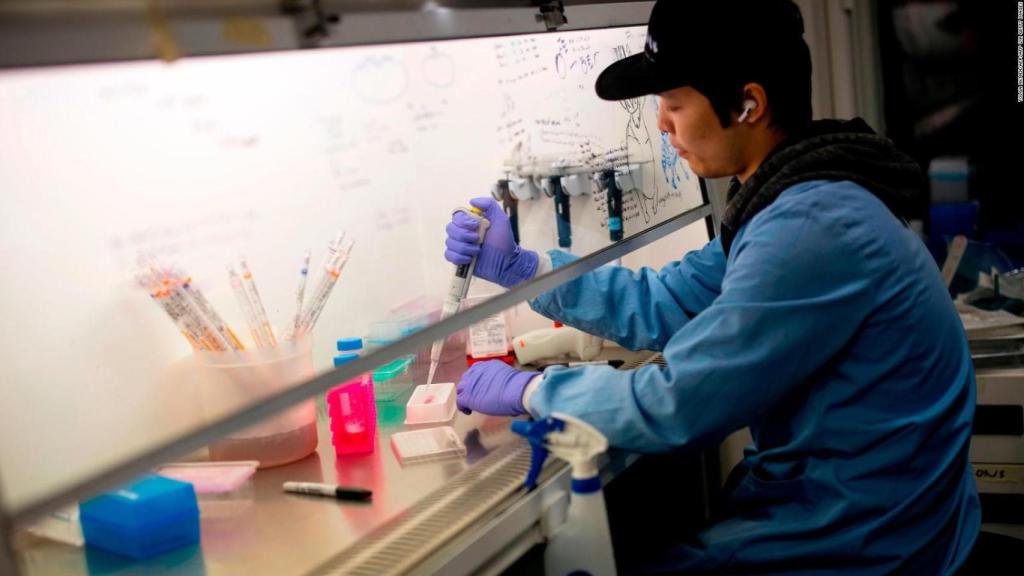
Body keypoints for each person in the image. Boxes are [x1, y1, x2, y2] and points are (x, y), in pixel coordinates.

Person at [444, 0, 980, 573]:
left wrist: (530, 391)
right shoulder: (793, 201)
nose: (662, 123)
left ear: (749, 103)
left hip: (863, 541)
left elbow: (676, 405)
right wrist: (528, 271)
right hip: (851, 510)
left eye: (675, 103)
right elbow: (669, 300)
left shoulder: (810, 228)